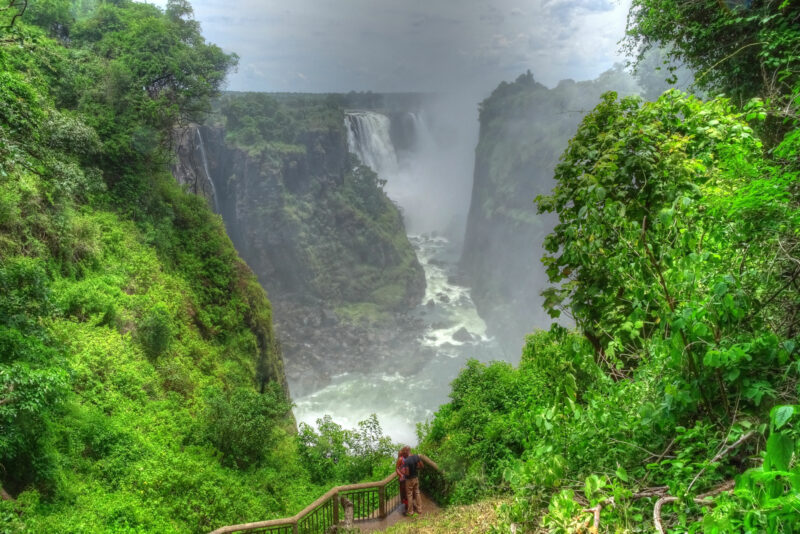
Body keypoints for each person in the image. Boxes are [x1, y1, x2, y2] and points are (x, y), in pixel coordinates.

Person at [403, 450, 423, 516]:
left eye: (404, 454)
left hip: (409, 480)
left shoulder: (406, 461)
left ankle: (410, 511)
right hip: (416, 478)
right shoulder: (416, 456)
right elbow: (422, 466)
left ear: (406, 452)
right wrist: (416, 468)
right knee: (417, 492)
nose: (404, 455)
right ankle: (419, 509)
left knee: (409, 495)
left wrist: (402, 472)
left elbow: (407, 473)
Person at [395, 446, 410, 514]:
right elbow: (397, 469)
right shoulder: (401, 459)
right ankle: (406, 506)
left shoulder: (409, 457)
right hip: (403, 479)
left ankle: (408, 505)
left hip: (409, 478)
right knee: (404, 493)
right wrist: (401, 475)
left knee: (408, 492)